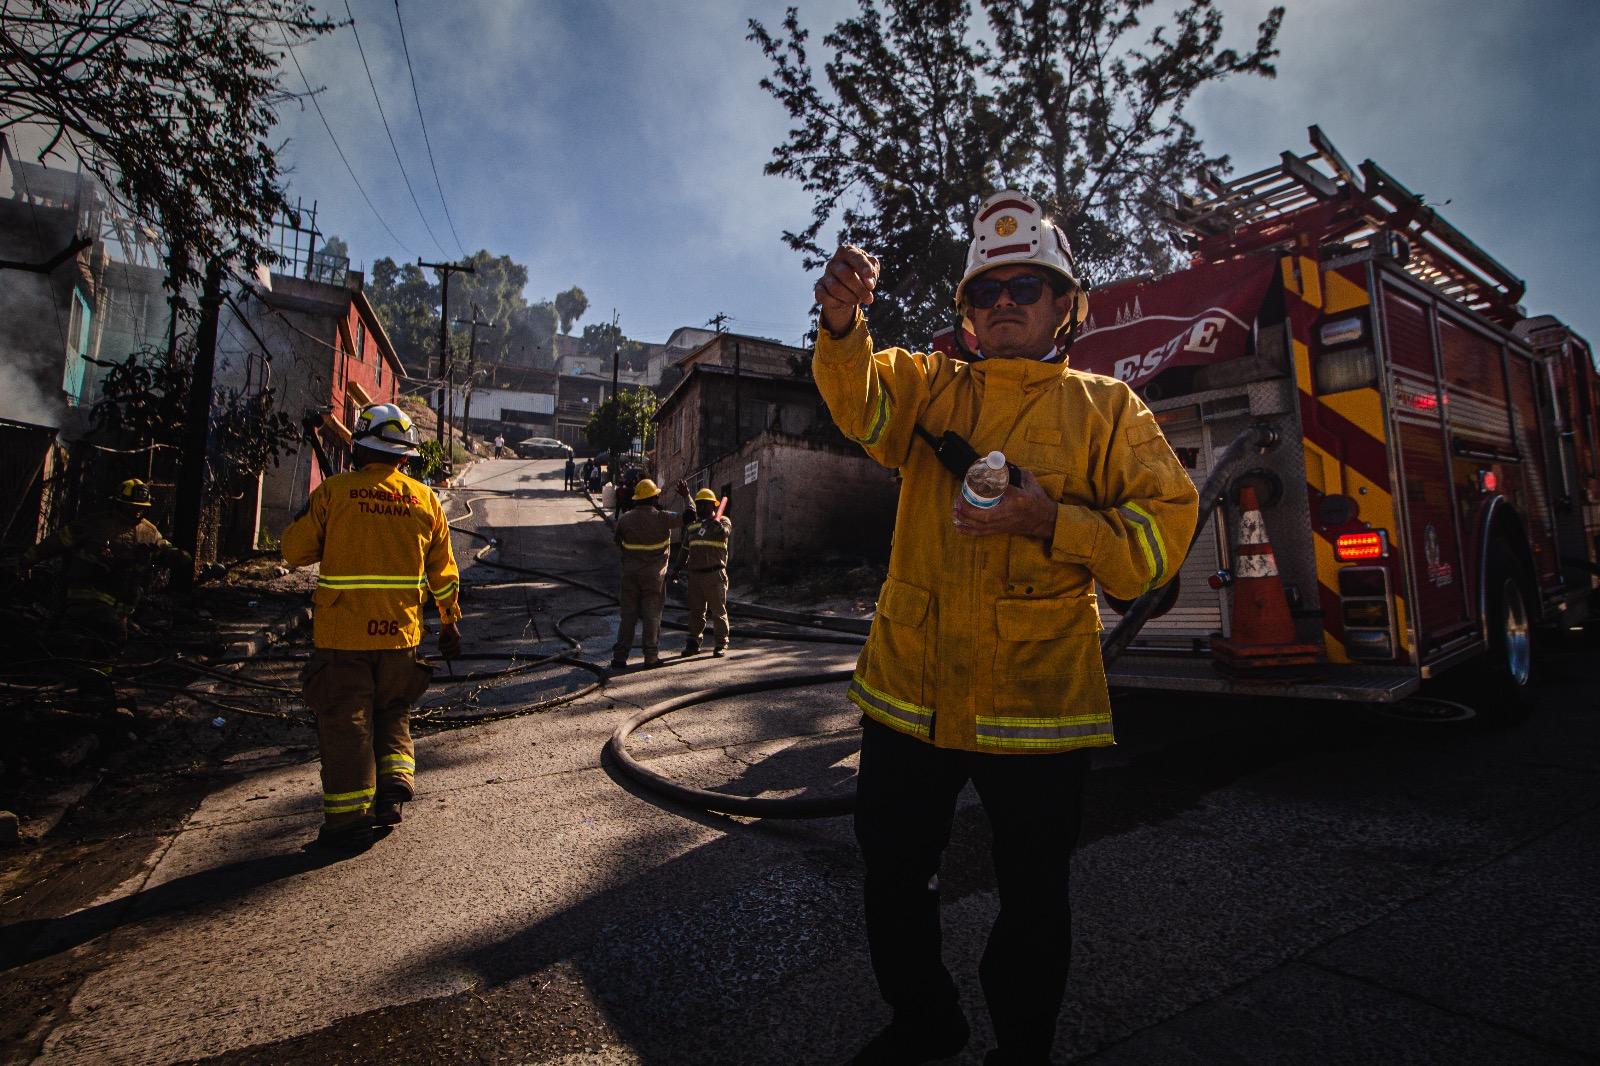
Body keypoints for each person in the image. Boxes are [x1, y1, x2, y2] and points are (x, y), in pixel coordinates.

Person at [812, 190, 1199, 1065]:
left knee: (1034, 897)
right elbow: (859, 401)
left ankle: (1022, 1048)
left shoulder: (1109, 412)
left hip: (1038, 709)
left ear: (1067, 305)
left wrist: (1052, 522)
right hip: (910, 696)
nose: (1005, 303)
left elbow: (1156, 547)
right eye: (987, 291)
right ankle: (925, 1022)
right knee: (893, 877)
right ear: (969, 314)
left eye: (1027, 286)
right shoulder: (929, 386)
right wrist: (842, 325)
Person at [281, 403, 464, 852]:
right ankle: (394, 784)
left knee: (347, 721)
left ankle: (347, 819)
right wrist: (449, 622)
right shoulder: (425, 500)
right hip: (400, 634)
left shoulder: (335, 492)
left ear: (361, 449)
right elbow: (445, 573)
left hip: (343, 635)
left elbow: (294, 553)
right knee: (393, 709)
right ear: (405, 457)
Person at [19, 478, 190, 643]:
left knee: (108, 646)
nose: (136, 511)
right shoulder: (96, 524)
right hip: (86, 598)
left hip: (121, 607)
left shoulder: (149, 531)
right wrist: (26, 560)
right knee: (106, 635)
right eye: (132, 507)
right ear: (119, 503)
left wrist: (176, 555)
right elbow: (56, 542)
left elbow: (162, 548)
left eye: (140, 507)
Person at [610, 478, 676, 669]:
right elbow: (690, 516)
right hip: (653, 578)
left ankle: (620, 657)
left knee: (628, 616)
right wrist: (687, 496)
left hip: (630, 575)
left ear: (637, 499)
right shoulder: (663, 517)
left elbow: (618, 542)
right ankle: (650, 657)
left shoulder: (624, 519)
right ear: (654, 498)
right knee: (651, 616)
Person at [672, 479, 731, 657]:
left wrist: (718, 525)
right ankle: (693, 643)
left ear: (712, 505)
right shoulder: (693, 527)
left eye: (704, 504)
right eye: (698, 504)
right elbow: (684, 551)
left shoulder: (722, 521)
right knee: (696, 611)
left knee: (719, 612)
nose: (700, 507)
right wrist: (676, 569)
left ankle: (721, 644)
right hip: (695, 576)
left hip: (715, 574)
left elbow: (725, 532)